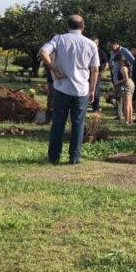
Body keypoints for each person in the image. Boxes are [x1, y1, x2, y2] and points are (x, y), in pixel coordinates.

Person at [39, 15, 99, 164]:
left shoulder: (59, 39)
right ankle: (74, 157)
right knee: (78, 124)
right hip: (82, 90)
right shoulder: (91, 44)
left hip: (62, 88)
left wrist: (53, 69)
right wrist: (92, 90)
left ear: (68, 26)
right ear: (83, 27)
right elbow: (95, 69)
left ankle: (54, 157)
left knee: (58, 123)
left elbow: (43, 52)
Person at [108, 39, 134, 118]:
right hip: (115, 78)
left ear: (115, 44)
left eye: (110, 45)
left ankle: (125, 117)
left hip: (122, 78)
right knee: (117, 97)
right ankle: (119, 114)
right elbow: (111, 63)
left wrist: (128, 73)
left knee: (124, 98)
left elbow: (133, 61)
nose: (109, 47)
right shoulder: (112, 52)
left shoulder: (124, 51)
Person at [114, 54, 134, 125]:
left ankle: (127, 121)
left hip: (127, 85)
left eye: (116, 62)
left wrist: (117, 83)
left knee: (126, 104)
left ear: (120, 61)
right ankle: (130, 120)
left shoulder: (123, 68)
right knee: (130, 103)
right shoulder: (127, 66)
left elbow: (125, 79)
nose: (116, 64)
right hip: (131, 84)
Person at [91, 38, 109, 113]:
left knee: (96, 92)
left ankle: (96, 108)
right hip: (86, 74)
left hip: (96, 75)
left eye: (94, 43)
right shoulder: (88, 50)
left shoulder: (101, 52)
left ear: (97, 43)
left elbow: (106, 64)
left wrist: (101, 72)